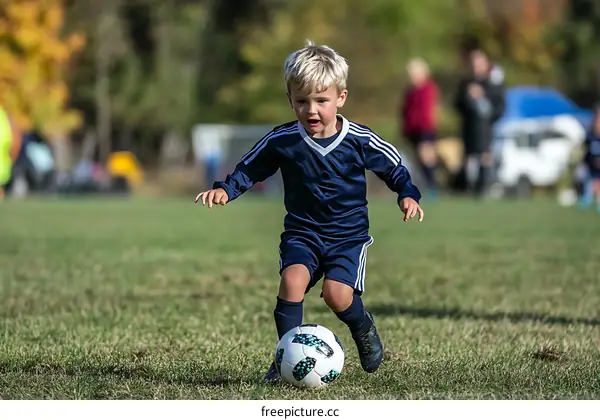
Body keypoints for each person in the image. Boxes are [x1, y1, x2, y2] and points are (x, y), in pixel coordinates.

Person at [194, 40, 424, 383]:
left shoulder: (359, 140)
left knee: (337, 295)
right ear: (290, 101)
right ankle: (283, 357)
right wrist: (226, 189)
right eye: (301, 101)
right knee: (292, 281)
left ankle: (362, 326)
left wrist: (407, 193)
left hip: (347, 237)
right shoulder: (281, 140)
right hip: (303, 232)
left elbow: (393, 166)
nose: (311, 110)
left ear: (340, 98)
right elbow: (251, 167)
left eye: (321, 101)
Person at [454, 49, 505, 197]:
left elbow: (499, 107)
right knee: (469, 158)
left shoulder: (492, 84)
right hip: (468, 127)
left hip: (485, 128)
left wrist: (482, 98)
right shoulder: (466, 84)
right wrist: (467, 97)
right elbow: (457, 105)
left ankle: (484, 188)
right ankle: (469, 188)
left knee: (485, 156)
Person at [401, 58, 439, 197]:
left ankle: (433, 187)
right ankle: (425, 186)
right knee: (418, 159)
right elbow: (405, 110)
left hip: (425, 129)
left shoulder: (428, 89)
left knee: (426, 157)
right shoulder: (410, 91)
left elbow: (426, 111)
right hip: (413, 130)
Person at [579, 104, 600, 212]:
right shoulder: (590, 136)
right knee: (590, 183)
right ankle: (587, 199)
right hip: (591, 166)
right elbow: (584, 150)